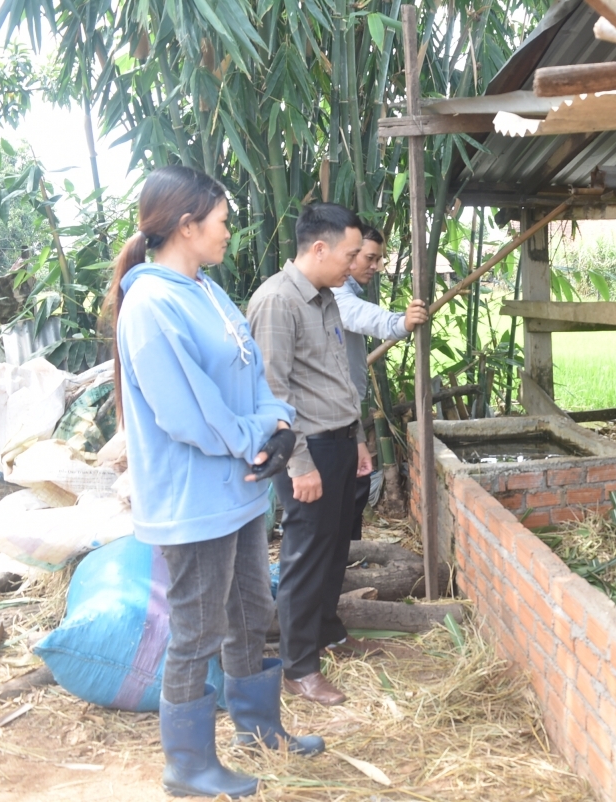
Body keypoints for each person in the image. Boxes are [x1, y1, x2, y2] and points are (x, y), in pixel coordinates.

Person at [111, 165, 323, 799]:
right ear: (186, 225)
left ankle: (258, 729)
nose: (230, 232)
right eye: (223, 221)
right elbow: (188, 413)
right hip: (192, 500)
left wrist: (278, 423)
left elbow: (252, 371)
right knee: (198, 628)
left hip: (238, 490)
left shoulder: (205, 289)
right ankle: (188, 766)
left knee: (251, 611)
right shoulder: (150, 304)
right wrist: (255, 439)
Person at [247, 203, 374, 707]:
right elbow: (269, 392)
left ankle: (326, 633)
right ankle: (299, 667)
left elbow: (338, 378)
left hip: (340, 440)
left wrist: (359, 437)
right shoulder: (277, 302)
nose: (354, 263)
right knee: (305, 557)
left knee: (335, 548)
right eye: (349, 254)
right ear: (318, 248)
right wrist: (299, 464)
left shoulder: (326, 298)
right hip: (309, 449)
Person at [332, 224, 428, 530]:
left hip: (345, 414)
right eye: (370, 258)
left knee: (353, 494)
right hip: (328, 418)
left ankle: (350, 561)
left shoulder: (341, 291)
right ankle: (342, 566)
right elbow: (355, 313)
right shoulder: (333, 292)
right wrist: (400, 323)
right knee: (342, 499)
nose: (377, 266)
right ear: (348, 254)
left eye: (379, 259)